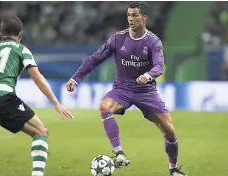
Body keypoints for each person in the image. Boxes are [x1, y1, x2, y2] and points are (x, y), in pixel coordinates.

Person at [66, 2, 186, 176]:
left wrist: (148, 75)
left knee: (169, 130)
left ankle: (173, 169)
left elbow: (159, 66)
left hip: (146, 92)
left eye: (135, 15)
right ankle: (119, 153)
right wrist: (75, 78)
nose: (130, 19)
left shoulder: (153, 42)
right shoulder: (117, 39)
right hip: (122, 89)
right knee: (104, 106)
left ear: (145, 18)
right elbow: (94, 59)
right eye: (129, 15)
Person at [0, 16, 74, 176]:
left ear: (1, 34)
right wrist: (56, 103)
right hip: (2, 95)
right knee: (41, 132)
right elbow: (37, 77)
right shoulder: (21, 49)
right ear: (21, 34)